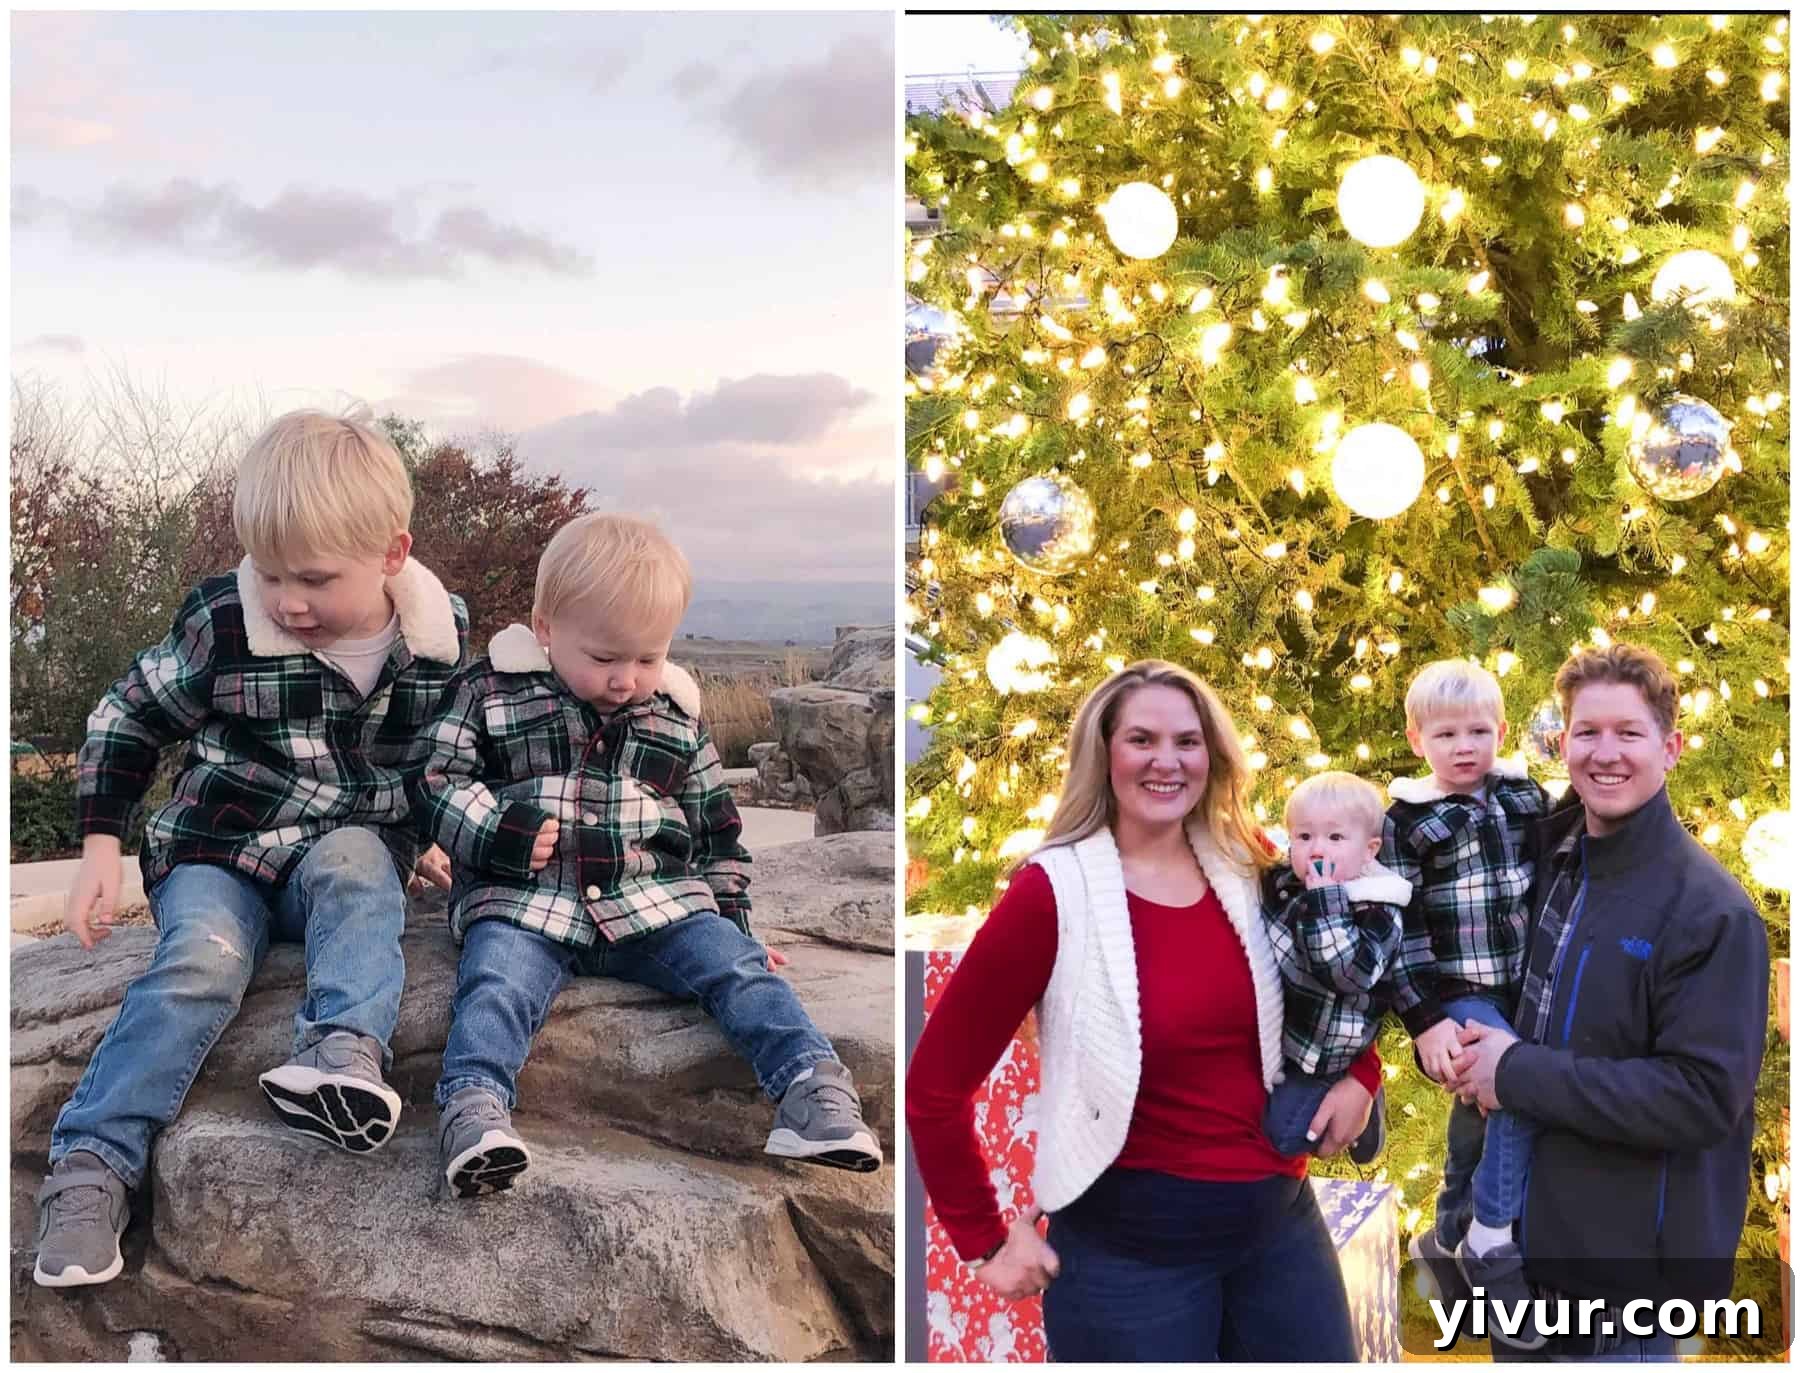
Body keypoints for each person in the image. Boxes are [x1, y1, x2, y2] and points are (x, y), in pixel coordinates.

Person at [33, 411, 469, 1288]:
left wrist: (432, 835)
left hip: (343, 848)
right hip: (219, 849)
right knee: (201, 961)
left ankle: (341, 1056)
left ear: (392, 553)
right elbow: (128, 716)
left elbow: (442, 759)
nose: (288, 601)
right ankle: (92, 1162)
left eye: (313, 578)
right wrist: (100, 844)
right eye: (269, 574)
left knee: (357, 867)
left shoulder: (437, 640)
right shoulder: (225, 622)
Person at [906, 660, 1379, 1362]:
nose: (1167, 761)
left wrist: (1363, 1075)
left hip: (1278, 1236)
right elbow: (934, 1086)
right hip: (1128, 1263)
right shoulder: (1052, 894)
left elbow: (1345, 975)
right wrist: (984, 1240)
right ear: (1104, 752)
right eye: (1142, 739)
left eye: (1187, 741)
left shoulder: (1251, 866)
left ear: (1212, 755)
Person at [409, 512, 881, 1198]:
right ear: (546, 628)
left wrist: (732, 919)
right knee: (496, 982)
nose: (627, 678)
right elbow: (437, 781)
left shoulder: (675, 717)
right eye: (604, 658)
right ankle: (475, 1109)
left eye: (648, 657)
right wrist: (497, 831)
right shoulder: (494, 692)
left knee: (739, 969)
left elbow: (716, 828)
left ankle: (812, 1088)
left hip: (652, 904)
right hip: (526, 901)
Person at [1446, 643, 1768, 1360]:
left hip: (1630, 1288)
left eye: (1629, 732)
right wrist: (1444, 1030)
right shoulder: (1546, 858)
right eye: (1587, 731)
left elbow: (1700, 1097)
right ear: (1563, 743)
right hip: (1526, 1261)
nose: (1605, 752)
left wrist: (1516, 1071)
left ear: (1671, 747)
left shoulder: (1712, 913)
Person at [1382, 659, 1550, 1341]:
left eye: (1479, 731)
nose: (1464, 746)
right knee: (1512, 1087)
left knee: (1479, 1112)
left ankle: (1445, 1231)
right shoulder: (1408, 819)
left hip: (1518, 984)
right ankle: (1489, 1233)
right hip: (1455, 991)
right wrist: (1423, 1019)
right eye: (1446, 733)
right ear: (1418, 738)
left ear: (1503, 731)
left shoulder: (1524, 798)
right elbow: (1398, 928)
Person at [1262, 770, 1409, 1165]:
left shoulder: (1377, 907)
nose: (1317, 850)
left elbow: (1347, 974)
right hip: (1283, 1041)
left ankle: (1371, 1105)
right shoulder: (1287, 884)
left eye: (1335, 838)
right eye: (1304, 837)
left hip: (1327, 1055)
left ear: (1370, 849)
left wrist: (1326, 901)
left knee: (1285, 1136)